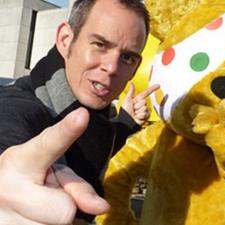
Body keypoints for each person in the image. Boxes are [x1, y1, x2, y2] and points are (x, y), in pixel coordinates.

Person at [0, 0, 159, 224]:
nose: (112, 68)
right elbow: (10, 132)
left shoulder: (98, 120)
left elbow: (97, 145)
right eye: (100, 44)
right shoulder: (24, 103)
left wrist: (126, 121)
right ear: (66, 40)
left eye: (127, 57)